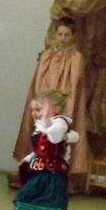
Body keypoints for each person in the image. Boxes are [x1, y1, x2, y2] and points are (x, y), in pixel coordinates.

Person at [0, 90, 77, 210]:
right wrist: (29, 158)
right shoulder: (44, 126)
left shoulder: (59, 123)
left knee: (27, 199)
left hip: (51, 174)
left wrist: (51, 129)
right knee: (52, 205)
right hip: (44, 172)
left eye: (39, 109)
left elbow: (57, 138)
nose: (35, 113)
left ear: (54, 108)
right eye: (33, 110)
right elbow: (40, 150)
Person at [13, 17, 89, 191]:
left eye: (66, 35)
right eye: (60, 34)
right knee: (39, 137)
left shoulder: (76, 58)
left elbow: (75, 86)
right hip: (44, 103)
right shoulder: (47, 55)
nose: (62, 38)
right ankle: (33, 175)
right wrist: (42, 104)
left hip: (64, 104)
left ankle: (60, 179)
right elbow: (39, 82)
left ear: (73, 36)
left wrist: (63, 106)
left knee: (59, 140)